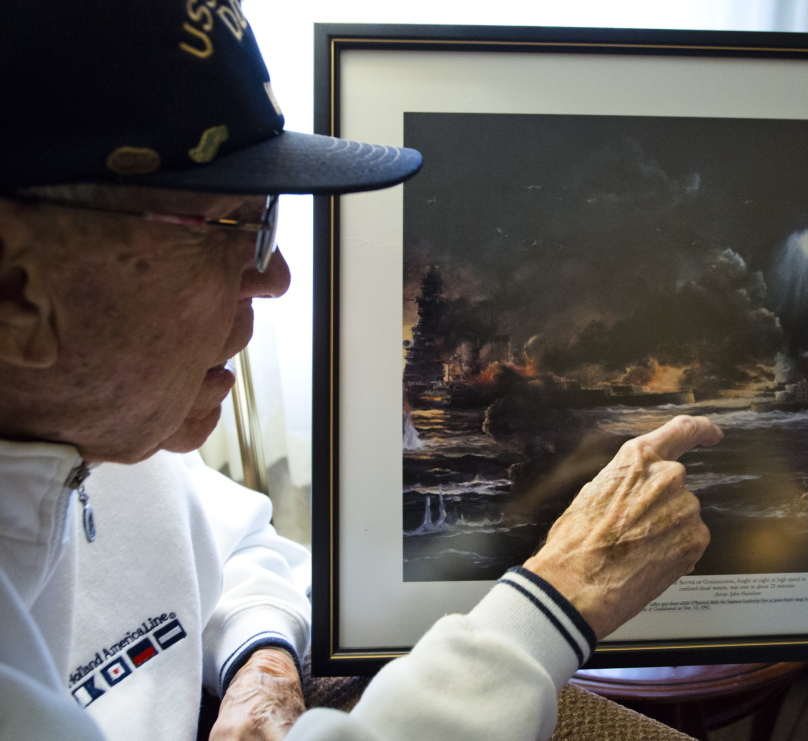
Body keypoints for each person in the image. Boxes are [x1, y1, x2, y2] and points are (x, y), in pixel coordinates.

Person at [0, 2, 723, 740]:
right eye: (234, 228)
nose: (276, 277)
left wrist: (263, 662)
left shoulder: (100, 438)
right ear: (17, 290)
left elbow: (240, 553)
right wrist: (559, 601)